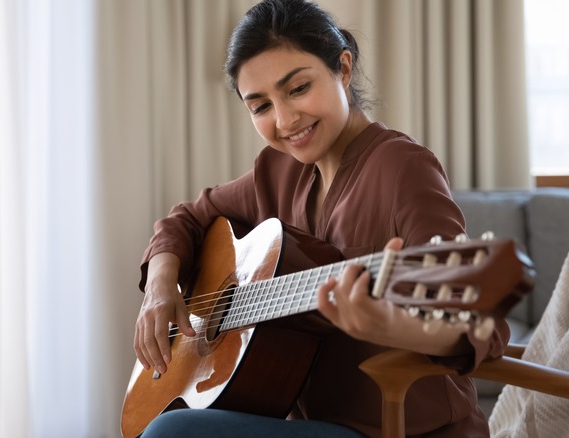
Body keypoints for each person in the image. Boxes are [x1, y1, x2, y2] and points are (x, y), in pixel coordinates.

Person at [133, 0, 509, 436]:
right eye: (261, 107)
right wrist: (160, 285)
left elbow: (481, 324)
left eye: (297, 89)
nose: (285, 120)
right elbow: (186, 218)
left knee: (172, 432)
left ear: (343, 69)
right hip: (308, 423)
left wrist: (395, 327)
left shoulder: (403, 167)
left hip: (401, 429)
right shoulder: (275, 171)